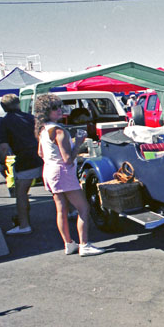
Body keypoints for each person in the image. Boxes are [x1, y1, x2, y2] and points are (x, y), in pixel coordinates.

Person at [35, 94, 105, 256]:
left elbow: (40, 152)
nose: (59, 110)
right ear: (46, 111)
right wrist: (79, 143)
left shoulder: (43, 129)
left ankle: (69, 243)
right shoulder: (59, 130)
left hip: (50, 170)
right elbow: (67, 159)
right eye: (54, 108)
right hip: (62, 171)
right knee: (83, 208)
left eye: (59, 107)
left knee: (61, 210)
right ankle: (85, 244)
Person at [0, 93, 44, 235]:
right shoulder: (31, 118)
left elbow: (3, 147)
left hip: (25, 159)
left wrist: (2, 163)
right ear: (18, 103)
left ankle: (24, 225)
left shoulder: (4, 122)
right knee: (57, 189)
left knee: (21, 193)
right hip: (42, 156)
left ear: (4, 107)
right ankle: (71, 212)